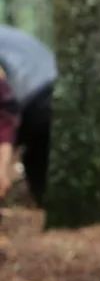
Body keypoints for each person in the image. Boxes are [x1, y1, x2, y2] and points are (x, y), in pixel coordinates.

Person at [0, 26, 56, 205]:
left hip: (29, 97)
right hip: (52, 86)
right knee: (38, 151)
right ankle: (43, 198)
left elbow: (5, 113)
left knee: (38, 150)